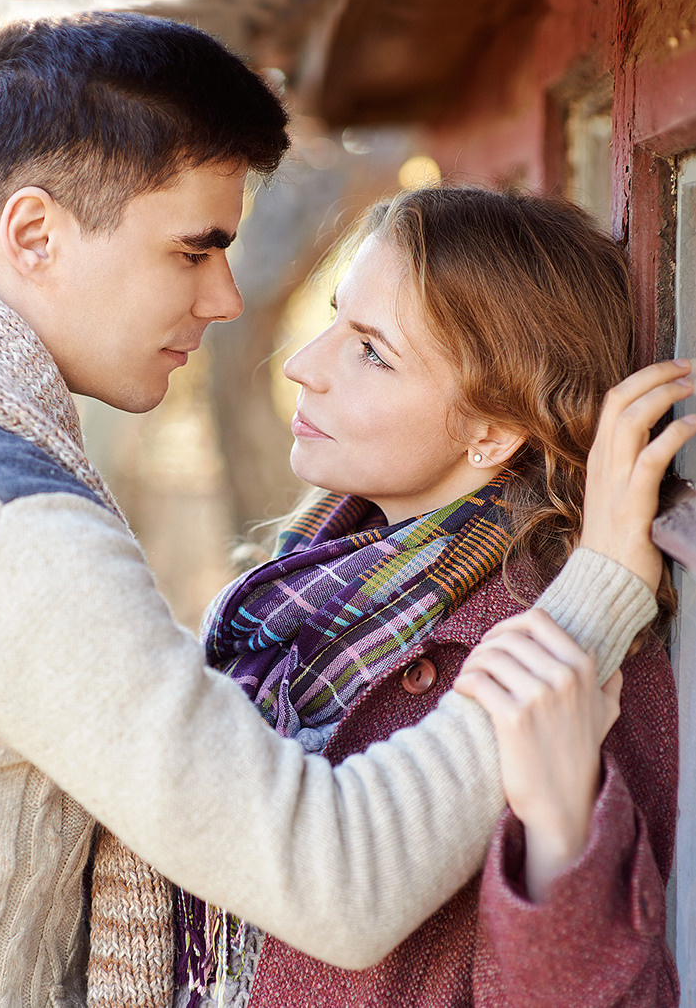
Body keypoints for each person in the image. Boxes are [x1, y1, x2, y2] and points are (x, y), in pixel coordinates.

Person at [0, 10, 685, 1008]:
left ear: (496, 429)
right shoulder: (12, 526)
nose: (232, 303)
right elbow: (336, 877)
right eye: (191, 250)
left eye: (370, 348)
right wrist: (593, 604)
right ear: (35, 234)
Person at [87, 187, 687, 1007]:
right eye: (337, 320)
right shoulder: (293, 602)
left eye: (371, 351)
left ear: (492, 432)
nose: (303, 365)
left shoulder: (550, 654)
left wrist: (559, 836)